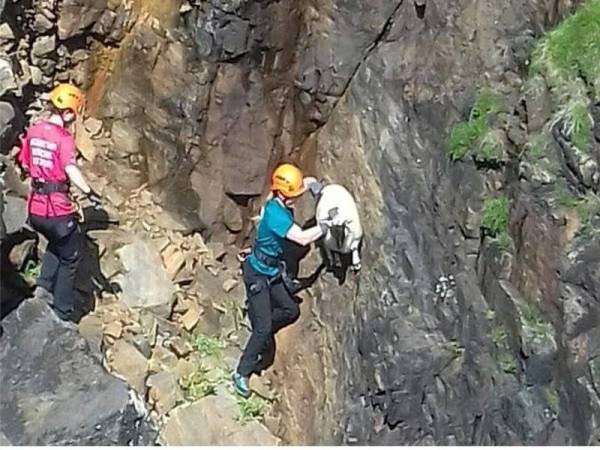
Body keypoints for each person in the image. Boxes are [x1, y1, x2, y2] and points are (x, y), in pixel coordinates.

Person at [232, 163, 327, 398]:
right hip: (258, 275)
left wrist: (313, 185)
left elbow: (300, 185)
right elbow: (303, 239)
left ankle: (260, 324)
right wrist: (326, 225)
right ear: (282, 194)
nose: (295, 198)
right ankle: (241, 372)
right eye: (292, 195)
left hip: (271, 272)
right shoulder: (275, 215)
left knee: (290, 309)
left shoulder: (279, 199)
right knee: (263, 329)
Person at [17, 83, 101, 323]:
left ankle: (42, 288)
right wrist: (88, 190)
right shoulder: (63, 138)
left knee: (57, 243)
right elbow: (70, 168)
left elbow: (25, 163)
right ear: (67, 112)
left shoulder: (34, 131)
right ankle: (63, 313)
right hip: (56, 210)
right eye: (73, 114)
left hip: (35, 208)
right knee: (71, 256)